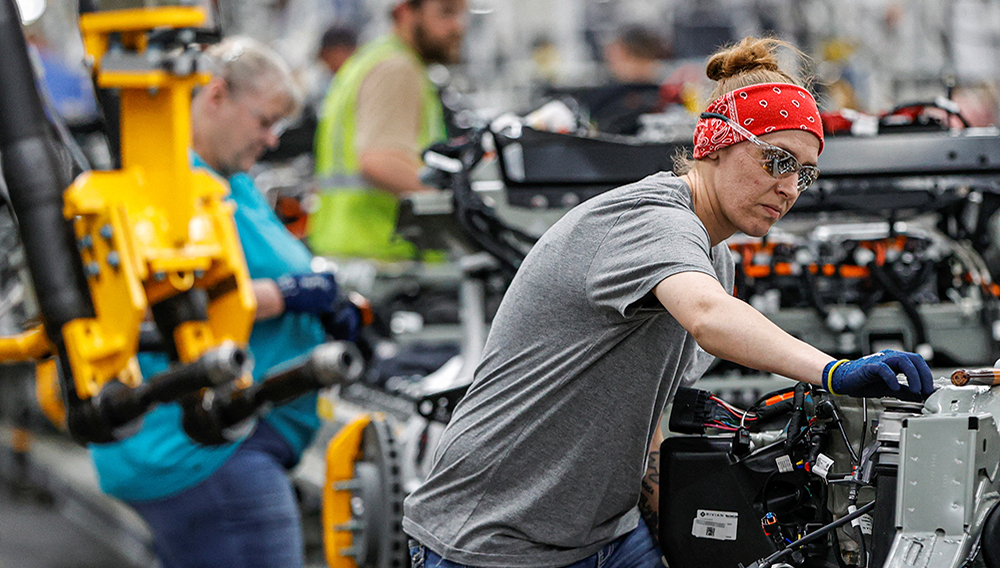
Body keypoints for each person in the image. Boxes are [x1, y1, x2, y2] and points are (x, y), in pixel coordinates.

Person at [402, 37, 935, 568]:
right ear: (718, 145)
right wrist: (833, 371)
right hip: (491, 538)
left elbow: (650, 417)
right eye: (778, 161)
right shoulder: (653, 220)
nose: (791, 188)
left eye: (806, 172)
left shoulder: (713, 257)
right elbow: (709, 318)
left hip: (605, 537)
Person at [89, 37, 356, 568]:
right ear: (215, 97)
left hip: (230, 445)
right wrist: (292, 294)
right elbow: (172, 301)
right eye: (264, 120)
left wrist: (322, 296)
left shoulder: (230, 180)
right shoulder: (172, 189)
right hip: (204, 451)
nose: (272, 137)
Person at [308, 0, 468, 260]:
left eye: (461, 14)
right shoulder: (396, 68)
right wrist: (462, 202)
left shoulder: (371, 59)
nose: (458, 27)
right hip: (385, 257)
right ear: (405, 12)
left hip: (353, 249)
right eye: (446, 12)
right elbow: (380, 162)